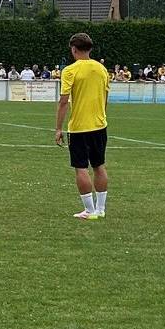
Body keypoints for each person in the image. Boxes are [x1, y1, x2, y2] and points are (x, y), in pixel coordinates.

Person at [55, 32, 110, 220]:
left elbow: (63, 101)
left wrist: (58, 128)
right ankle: (101, 209)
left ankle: (89, 210)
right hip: (100, 125)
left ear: (73, 49)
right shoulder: (102, 69)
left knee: (81, 168)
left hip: (79, 127)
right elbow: (106, 98)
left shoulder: (70, 70)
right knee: (99, 166)